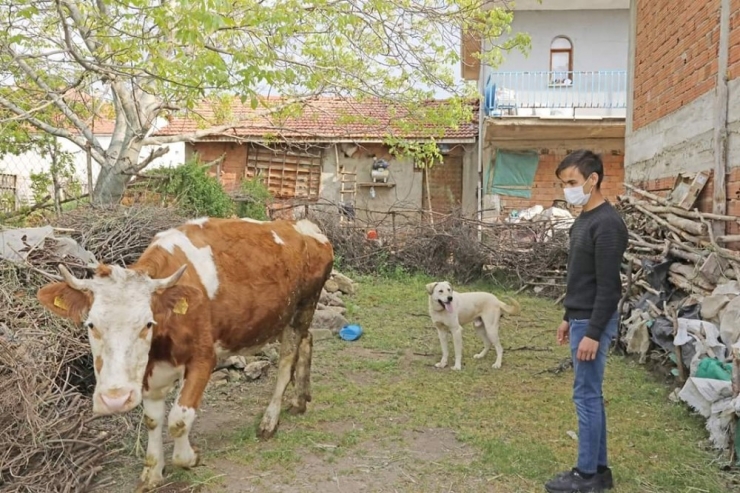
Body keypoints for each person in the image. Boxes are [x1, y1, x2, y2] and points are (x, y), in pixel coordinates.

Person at [545, 150, 628, 493]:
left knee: (586, 396)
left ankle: (586, 475)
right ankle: (600, 471)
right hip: (580, 318)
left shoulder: (607, 224)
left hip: (594, 322)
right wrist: (568, 316)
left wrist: (593, 332)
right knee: (590, 394)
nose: (567, 189)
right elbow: (580, 277)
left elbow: (609, 288)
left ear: (593, 180)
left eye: (572, 182)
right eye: (564, 183)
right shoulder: (583, 220)